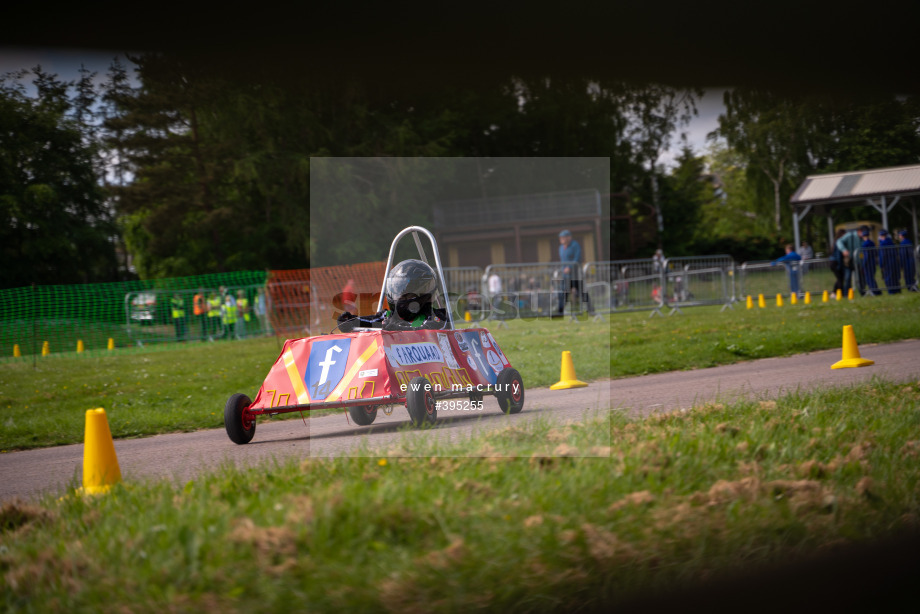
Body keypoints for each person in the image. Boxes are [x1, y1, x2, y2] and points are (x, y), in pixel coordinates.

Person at [337, 259, 448, 332]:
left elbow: (426, 332)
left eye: (407, 294)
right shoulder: (389, 316)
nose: (401, 297)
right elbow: (370, 322)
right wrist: (350, 321)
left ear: (424, 294)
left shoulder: (436, 317)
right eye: (399, 291)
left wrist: (397, 329)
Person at [556, 229, 594, 316]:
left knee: (582, 292)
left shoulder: (575, 245)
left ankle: (591, 310)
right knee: (563, 293)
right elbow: (562, 261)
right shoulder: (561, 248)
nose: (561, 239)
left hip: (576, 274)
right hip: (566, 275)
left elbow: (577, 258)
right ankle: (559, 312)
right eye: (560, 238)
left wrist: (569, 267)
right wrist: (562, 270)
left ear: (569, 237)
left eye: (563, 237)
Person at [836, 225, 867, 296]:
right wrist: (843, 250)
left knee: (861, 278)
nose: (865, 235)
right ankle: (847, 295)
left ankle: (862, 293)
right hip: (849, 262)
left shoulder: (863, 239)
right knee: (847, 278)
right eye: (864, 233)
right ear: (859, 231)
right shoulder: (850, 235)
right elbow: (839, 241)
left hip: (858, 262)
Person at [877, 229, 900, 294]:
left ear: (881, 236)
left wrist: (881, 264)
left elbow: (882, 256)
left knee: (888, 278)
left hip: (887, 263)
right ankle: (897, 290)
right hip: (893, 262)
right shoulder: (891, 242)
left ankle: (891, 291)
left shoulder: (882, 244)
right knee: (894, 277)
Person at [859, 227, 881, 296]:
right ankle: (876, 291)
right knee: (872, 277)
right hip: (873, 262)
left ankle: (874, 291)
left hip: (868, 263)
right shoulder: (872, 242)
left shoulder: (865, 244)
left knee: (869, 278)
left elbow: (866, 255)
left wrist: (863, 264)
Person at [830, 229, 846, 295]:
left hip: (833, 262)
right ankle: (840, 294)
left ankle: (834, 293)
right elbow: (838, 255)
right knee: (840, 279)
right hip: (835, 262)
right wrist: (839, 265)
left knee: (840, 278)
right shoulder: (839, 242)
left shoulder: (836, 241)